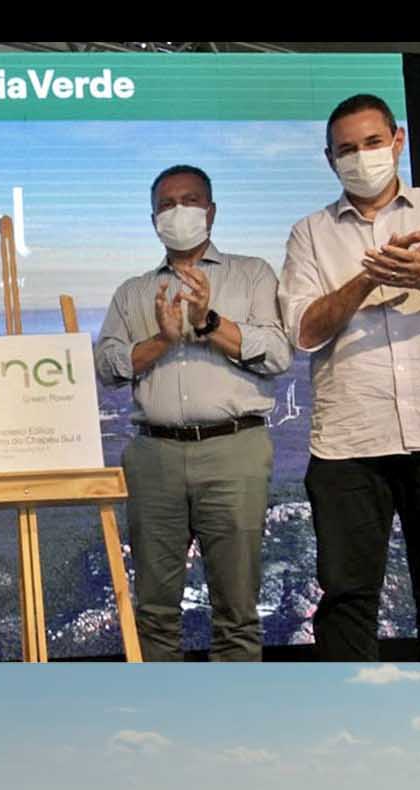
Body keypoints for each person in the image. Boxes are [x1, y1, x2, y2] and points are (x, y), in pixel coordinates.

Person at [281, 92, 420, 661]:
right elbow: (303, 330)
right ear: (329, 158)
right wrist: (367, 280)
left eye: (372, 143)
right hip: (351, 444)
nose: (361, 157)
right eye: (346, 150)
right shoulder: (310, 233)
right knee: (346, 597)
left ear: (398, 140)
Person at [97, 164, 292, 661]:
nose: (178, 212)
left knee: (237, 610)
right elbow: (108, 366)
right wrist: (163, 340)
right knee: (155, 613)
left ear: (211, 211)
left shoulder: (252, 274)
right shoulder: (133, 292)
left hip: (234, 449)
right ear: (152, 218)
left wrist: (207, 321)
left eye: (189, 200)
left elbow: (277, 354)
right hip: (155, 454)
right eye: (166, 205)